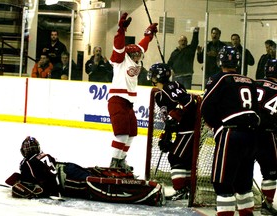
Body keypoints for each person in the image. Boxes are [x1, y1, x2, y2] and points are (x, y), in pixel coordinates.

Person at [5, 136, 164, 206]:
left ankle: (147, 190)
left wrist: (42, 191)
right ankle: (131, 179)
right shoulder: (43, 155)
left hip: (69, 180)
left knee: (98, 185)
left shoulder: (27, 163)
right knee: (95, 175)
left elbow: (45, 182)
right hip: (69, 167)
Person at [201, 46, 260, 216]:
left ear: (220, 61)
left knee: (223, 183)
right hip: (251, 135)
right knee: (244, 184)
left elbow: (206, 107)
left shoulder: (219, 78)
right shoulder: (249, 80)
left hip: (230, 134)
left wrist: (216, 126)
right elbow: (257, 109)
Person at [107, 12, 158, 170]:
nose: (138, 56)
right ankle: (114, 162)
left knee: (132, 134)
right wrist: (121, 31)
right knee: (122, 134)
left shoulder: (135, 57)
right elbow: (119, 46)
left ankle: (121, 160)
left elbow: (143, 45)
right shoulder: (121, 59)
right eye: (135, 55)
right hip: (117, 100)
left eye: (138, 54)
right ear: (129, 54)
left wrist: (148, 34)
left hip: (128, 103)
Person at [147, 63, 198, 201]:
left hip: (189, 129)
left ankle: (181, 189)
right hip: (184, 130)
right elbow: (170, 116)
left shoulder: (171, 87)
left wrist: (176, 115)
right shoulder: (160, 94)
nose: (150, 76)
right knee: (183, 159)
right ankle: (186, 189)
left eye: (152, 73)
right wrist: (167, 134)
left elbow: (188, 102)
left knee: (175, 158)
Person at [255, 59, 277, 215]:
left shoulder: (252, 83)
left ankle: (236, 202)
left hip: (243, 132)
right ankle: (266, 205)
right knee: (271, 171)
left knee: (240, 169)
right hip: (267, 135)